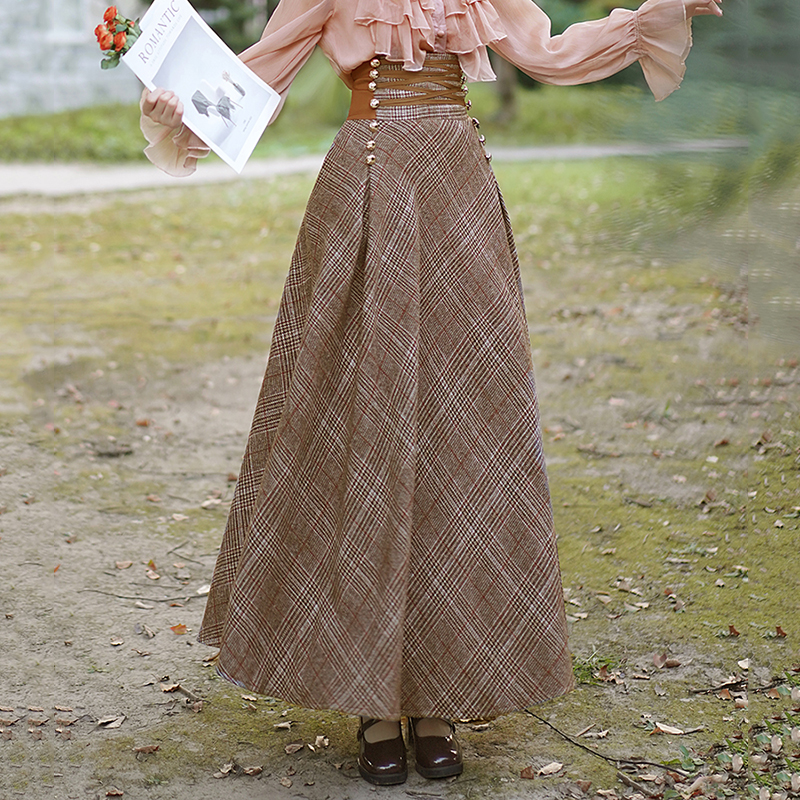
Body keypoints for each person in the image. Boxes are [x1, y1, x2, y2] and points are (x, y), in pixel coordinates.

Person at [140, 0, 723, 786]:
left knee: (464, 432)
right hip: (371, 194)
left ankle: (442, 696)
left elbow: (545, 52)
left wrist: (644, 21)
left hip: (459, 201)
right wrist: (180, 107)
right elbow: (260, 73)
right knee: (368, 426)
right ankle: (374, 702)